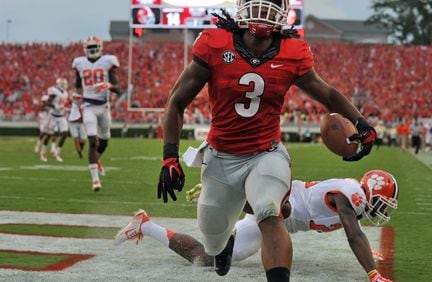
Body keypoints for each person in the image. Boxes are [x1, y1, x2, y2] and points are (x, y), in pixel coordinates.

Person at [157, 1, 376, 281]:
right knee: (212, 240)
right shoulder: (215, 43)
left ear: (283, 13)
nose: (262, 9)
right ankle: (222, 245)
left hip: (265, 153)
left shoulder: (292, 51)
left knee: (269, 212)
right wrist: (169, 156)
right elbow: (176, 102)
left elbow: (327, 94)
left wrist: (361, 122)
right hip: (220, 156)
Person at [118, 170, 397, 282]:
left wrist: (368, 253)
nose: (383, 209)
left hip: (280, 221)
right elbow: (353, 234)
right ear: (372, 193)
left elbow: (352, 229)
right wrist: (372, 273)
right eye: (384, 202)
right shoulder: (353, 196)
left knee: (208, 258)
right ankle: (225, 196)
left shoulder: (353, 198)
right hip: (277, 206)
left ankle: (145, 225)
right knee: (282, 210)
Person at [72, 35, 121, 191]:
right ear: (85, 49)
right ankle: (95, 180)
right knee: (92, 140)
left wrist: (108, 85)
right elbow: (78, 85)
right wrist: (76, 94)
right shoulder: (79, 64)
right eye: (90, 47)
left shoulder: (107, 62)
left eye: (95, 47)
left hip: (104, 106)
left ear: (100, 47)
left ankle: (96, 160)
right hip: (88, 106)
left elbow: (118, 89)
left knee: (104, 141)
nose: (93, 50)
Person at [39, 78, 69, 162]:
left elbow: (63, 103)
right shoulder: (54, 91)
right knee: (49, 135)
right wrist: (54, 106)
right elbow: (46, 103)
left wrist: (66, 108)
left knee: (65, 133)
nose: (65, 85)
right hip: (53, 116)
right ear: (59, 84)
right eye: (63, 84)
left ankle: (57, 153)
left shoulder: (65, 93)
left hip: (61, 116)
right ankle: (43, 151)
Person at [68, 91, 87, 159]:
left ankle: (80, 150)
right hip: (73, 123)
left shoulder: (85, 104)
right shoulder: (75, 102)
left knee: (84, 140)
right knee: (76, 138)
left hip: (81, 123)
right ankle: (80, 154)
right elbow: (72, 97)